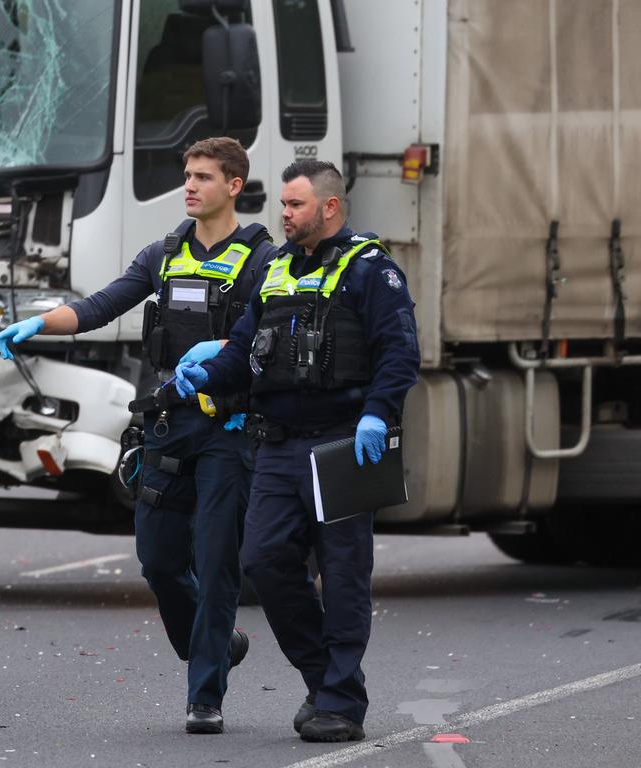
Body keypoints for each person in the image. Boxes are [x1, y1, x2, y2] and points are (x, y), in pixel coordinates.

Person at [0, 137, 280, 734]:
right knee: (158, 560)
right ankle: (219, 645)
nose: (190, 185)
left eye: (203, 177)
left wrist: (225, 352)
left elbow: (266, 337)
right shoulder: (164, 254)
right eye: (187, 175)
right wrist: (40, 324)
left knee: (218, 561)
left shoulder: (263, 261)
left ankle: (205, 696)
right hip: (168, 427)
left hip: (228, 430)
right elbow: (100, 306)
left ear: (233, 185)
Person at [175, 159, 420, 742]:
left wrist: (376, 415)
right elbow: (241, 351)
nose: (284, 216)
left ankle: (338, 703)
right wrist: (203, 376)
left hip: (344, 444)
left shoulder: (370, 270)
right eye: (283, 205)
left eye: (295, 206)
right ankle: (326, 677)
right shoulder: (278, 270)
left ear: (329, 207)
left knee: (342, 574)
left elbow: (399, 353)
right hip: (279, 447)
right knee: (262, 562)